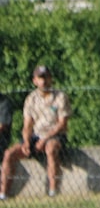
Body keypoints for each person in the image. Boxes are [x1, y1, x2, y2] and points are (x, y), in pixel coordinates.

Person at [0, 65, 72, 199]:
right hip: (35, 136)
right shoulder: (30, 99)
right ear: (34, 81)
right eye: (40, 78)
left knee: (51, 149)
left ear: (51, 79)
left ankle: (53, 191)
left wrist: (44, 140)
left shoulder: (60, 97)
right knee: (9, 154)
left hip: (55, 135)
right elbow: (27, 125)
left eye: (46, 77)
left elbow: (62, 124)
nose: (43, 81)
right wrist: (27, 141)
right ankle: (4, 194)